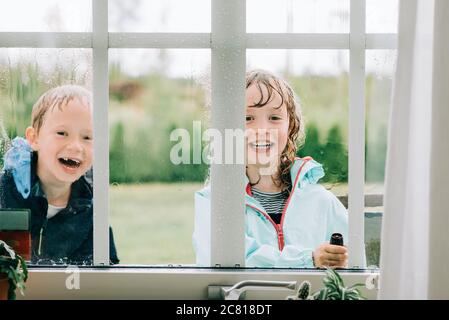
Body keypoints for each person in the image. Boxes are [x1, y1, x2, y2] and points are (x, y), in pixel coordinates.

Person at [193, 69, 362, 268]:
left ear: (291, 126)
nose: (263, 129)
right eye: (248, 118)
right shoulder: (214, 201)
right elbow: (230, 260)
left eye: (274, 118)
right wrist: (308, 260)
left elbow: (357, 270)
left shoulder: (323, 202)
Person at [0, 85, 119, 265]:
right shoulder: (5, 192)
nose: (76, 146)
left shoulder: (90, 212)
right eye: (62, 133)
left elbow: (105, 277)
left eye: (87, 137)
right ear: (34, 138)